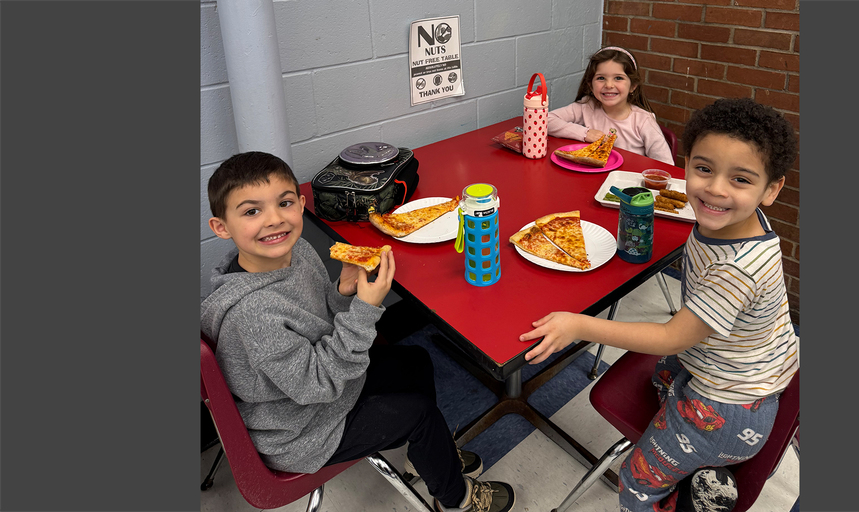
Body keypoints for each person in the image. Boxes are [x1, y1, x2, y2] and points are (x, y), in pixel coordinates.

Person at [519, 98, 799, 512]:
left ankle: (686, 501)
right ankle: (700, 474)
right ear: (685, 167)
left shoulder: (736, 270)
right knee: (661, 379)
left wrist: (579, 325)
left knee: (634, 481)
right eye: (704, 169)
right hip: (738, 366)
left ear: (771, 189)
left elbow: (669, 337)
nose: (716, 189)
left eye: (740, 179)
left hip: (726, 407)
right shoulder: (737, 221)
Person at [200, 151, 516, 512]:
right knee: (420, 413)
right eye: (251, 211)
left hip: (316, 388)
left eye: (284, 203)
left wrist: (341, 293)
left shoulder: (295, 251)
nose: (274, 220)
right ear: (221, 227)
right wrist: (364, 310)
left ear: (301, 204)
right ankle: (458, 499)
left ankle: (425, 459)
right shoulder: (252, 316)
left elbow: (317, 323)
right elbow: (319, 384)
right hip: (300, 430)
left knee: (415, 360)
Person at [548, 46, 675, 165]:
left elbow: (667, 165)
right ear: (590, 85)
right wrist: (585, 133)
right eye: (601, 78)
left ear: (633, 86)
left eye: (618, 78)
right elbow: (545, 120)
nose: (609, 85)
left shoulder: (644, 121)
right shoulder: (587, 106)